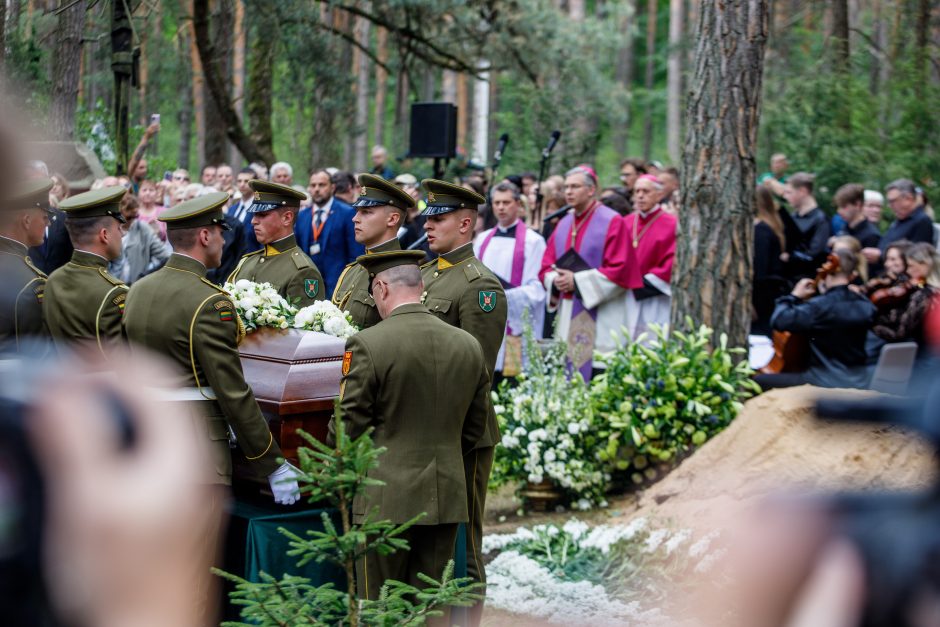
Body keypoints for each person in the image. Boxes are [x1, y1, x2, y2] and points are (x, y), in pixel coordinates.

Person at [329, 249, 489, 612]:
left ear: (382, 288)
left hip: (383, 499)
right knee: (432, 608)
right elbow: (474, 427)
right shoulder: (468, 345)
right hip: (445, 496)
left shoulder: (369, 343)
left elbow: (347, 425)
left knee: (380, 608)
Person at [123, 192, 299, 505]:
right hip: (196, 447)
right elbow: (232, 391)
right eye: (220, 233)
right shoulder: (210, 302)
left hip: (147, 438)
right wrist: (270, 462)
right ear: (205, 236)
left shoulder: (138, 290)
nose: (223, 241)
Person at [419, 178, 507, 625]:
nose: (428, 224)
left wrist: (456, 436)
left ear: (466, 223)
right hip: (426, 431)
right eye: (428, 217)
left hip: (462, 433)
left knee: (465, 538)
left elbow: (477, 371)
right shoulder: (425, 272)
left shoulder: (478, 286)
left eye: (438, 218)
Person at [539, 166, 627, 380]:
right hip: (568, 313)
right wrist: (556, 280)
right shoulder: (563, 223)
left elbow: (621, 270)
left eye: (575, 186)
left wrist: (576, 281)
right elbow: (545, 267)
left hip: (602, 315)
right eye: (567, 187)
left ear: (591, 190)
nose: (568, 192)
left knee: (597, 375)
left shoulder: (612, 221)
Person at [754, 249, 876, 390]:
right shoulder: (865, 305)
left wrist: (794, 295)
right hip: (857, 382)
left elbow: (779, 320)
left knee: (757, 381)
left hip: (822, 381)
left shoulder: (820, 306)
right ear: (852, 275)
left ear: (829, 269)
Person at [473, 181, 547, 379]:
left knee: (512, 381)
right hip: (487, 318)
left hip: (515, 325)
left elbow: (537, 288)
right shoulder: (482, 239)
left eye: (506, 202)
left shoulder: (533, 241)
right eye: (497, 203)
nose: (501, 207)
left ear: (518, 204)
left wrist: (504, 295)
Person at [43, 186, 128, 355]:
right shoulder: (113, 292)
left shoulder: (53, 279)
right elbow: (121, 360)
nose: (123, 234)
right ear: (104, 235)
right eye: (119, 228)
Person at [332, 174, 412, 329]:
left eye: (366, 212)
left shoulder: (401, 274)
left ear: (392, 219)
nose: (355, 218)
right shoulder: (351, 270)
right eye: (357, 211)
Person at [227, 180, 325, 306]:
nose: (253, 221)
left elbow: (302, 325)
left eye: (262, 215)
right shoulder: (247, 262)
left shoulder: (303, 272)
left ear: (286, 218)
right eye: (254, 214)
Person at [611, 174, 677, 342]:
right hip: (624, 296)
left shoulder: (672, 224)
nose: (640, 196)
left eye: (646, 191)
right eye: (637, 191)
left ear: (659, 195)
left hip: (654, 298)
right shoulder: (625, 222)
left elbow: (672, 262)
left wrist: (641, 284)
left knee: (651, 343)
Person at [0, 178, 54, 350]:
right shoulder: (32, 283)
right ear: (27, 221)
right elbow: (38, 356)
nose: (49, 223)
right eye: (45, 217)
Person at [294, 169, 364, 295]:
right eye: (313, 185)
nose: (316, 189)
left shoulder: (347, 213)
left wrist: (349, 286)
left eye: (321, 185)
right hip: (308, 287)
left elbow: (355, 256)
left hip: (338, 288)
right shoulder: (302, 216)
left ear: (332, 187)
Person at [871, 242, 940, 354]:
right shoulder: (925, 288)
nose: (908, 271)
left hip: (922, 357)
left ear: (926, 264)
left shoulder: (924, 294)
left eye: (911, 266)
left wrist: (871, 324)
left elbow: (899, 333)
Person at [109, 193, 171, 284]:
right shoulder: (109, 229)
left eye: (136, 216)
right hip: (112, 285)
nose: (132, 220)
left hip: (134, 286)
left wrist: (147, 275)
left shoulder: (142, 228)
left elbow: (165, 256)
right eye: (129, 217)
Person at [753, 186, 788, 336]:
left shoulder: (761, 230)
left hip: (760, 298)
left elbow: (760, 270)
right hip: (767, 295)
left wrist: (751, 303)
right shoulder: (771, 226)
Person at [783, 172, 830, 280]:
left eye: (789, 192)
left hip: (807, 279)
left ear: (802, 191)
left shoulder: (820, 219)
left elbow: (815, 255)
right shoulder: (793, 217)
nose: (786, 196)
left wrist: (790, 257)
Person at [878, 179, 935, 256]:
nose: (889, 206)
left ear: (909, 198)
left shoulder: (922, 221)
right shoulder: (900, 219)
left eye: (893, 201)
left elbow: (916, 257)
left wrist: (880, 256)